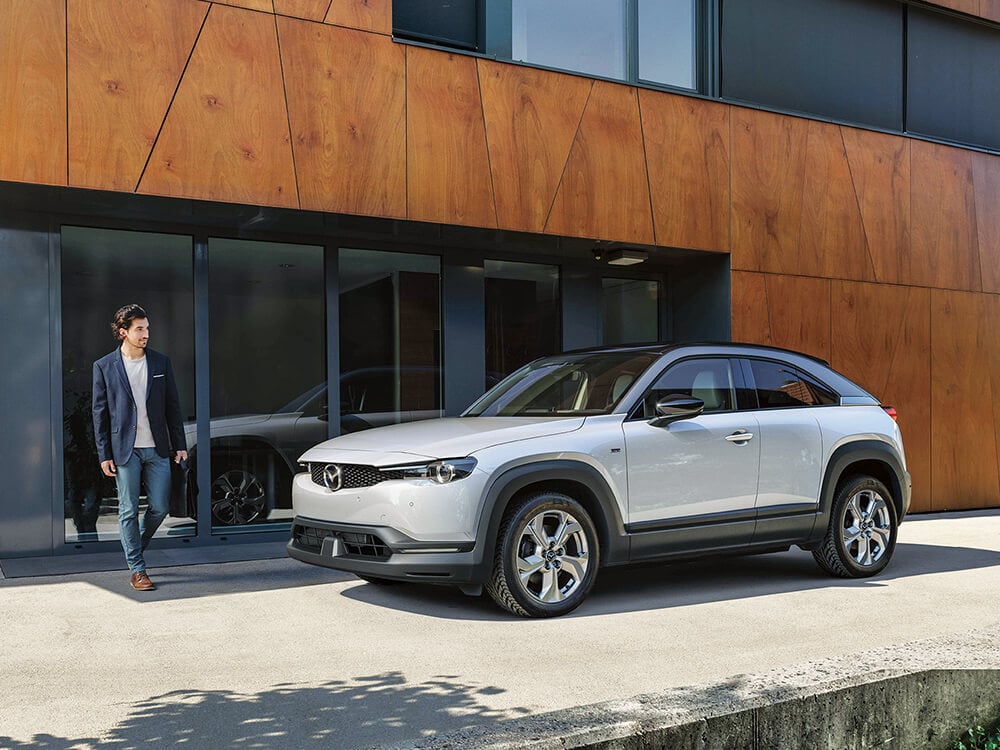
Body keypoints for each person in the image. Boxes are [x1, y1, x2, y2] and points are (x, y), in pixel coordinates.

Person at [92, 304, 187, 591]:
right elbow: (99, 413)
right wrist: (103, 454)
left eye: (147, 328)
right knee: (128, 510)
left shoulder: (160, 363)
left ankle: (134, 548)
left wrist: (179, 445)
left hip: (157, 448)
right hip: (125, 450)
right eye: (140, 329)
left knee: (159, 507)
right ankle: (138, 569)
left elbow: (173, 406)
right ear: (124, 333)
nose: (146, 334)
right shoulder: (104, 366)